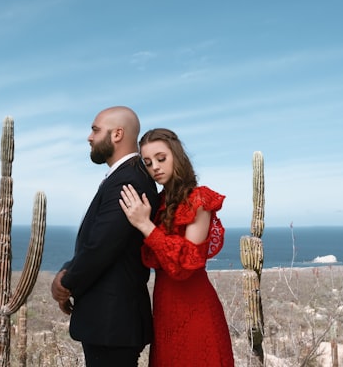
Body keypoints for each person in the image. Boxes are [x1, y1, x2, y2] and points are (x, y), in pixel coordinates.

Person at [50, 106, 162, 367]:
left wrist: (66, 283)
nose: (89, 137)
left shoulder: (129, 180)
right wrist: (69, 269)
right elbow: (100, 239)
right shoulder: (125, 177)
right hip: (111, 323)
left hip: (113, 322)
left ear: (117, 134)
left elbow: (102, 245)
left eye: (95, 129)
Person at [118, 128, 235, 367]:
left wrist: (145, 225)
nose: (155, 167)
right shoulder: (157, 203)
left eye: (161, 158)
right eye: (148, 163)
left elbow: (185, 264)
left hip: (195, 309)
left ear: (177, 156)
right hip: (164, 310)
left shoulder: (198, 199)